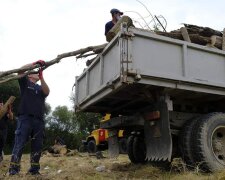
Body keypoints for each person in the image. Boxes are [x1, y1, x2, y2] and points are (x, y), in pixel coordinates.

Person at [9, 60, 50, 175]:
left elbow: (47, 92)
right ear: (30, 74)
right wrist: (33, 64)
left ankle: (34, 170)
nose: (37, 73)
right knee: (20, 143)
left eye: (38, 72)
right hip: (25, 118)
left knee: (37, 145)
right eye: (35, 72)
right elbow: (20, 71)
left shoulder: (40, 87)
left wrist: (42, 78)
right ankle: (14, 170)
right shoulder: (25, 83)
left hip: (39, 120)